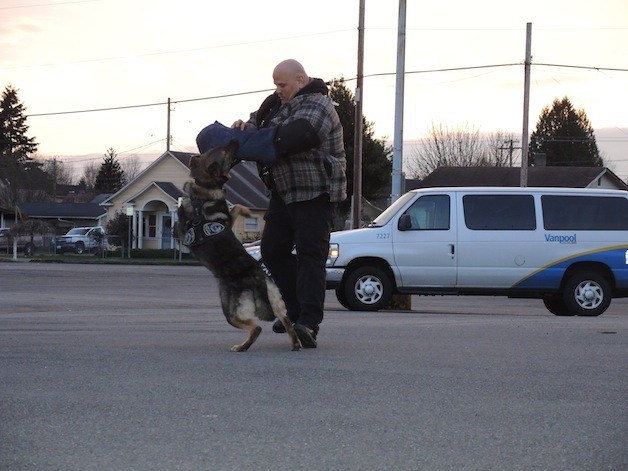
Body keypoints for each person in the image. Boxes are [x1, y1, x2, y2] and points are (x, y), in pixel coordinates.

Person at [231, 59, 347, 348]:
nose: (278, 90)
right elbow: (256, 127)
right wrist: (243, 129)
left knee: (311, 256)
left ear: (300, 79)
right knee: (272, 250)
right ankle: (293, 310)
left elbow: (298, 136)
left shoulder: (319, 105)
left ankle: (308, 323)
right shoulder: (274, 106)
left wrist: (257, 140)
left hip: (317, 192)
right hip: (285, 192)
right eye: (275, 85)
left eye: (282, 84)